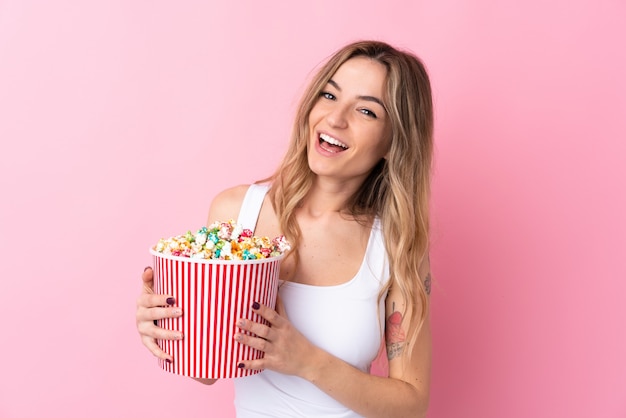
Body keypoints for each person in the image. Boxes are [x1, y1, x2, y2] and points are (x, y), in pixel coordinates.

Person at [136, 40, 434, 417]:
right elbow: (208, 368)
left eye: (366, 111)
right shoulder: (237, 215)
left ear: (394, 141)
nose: (335, 119)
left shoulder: (396, 245)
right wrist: (165, 330)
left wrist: (304, 359)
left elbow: (411, 405)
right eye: (328, 95)